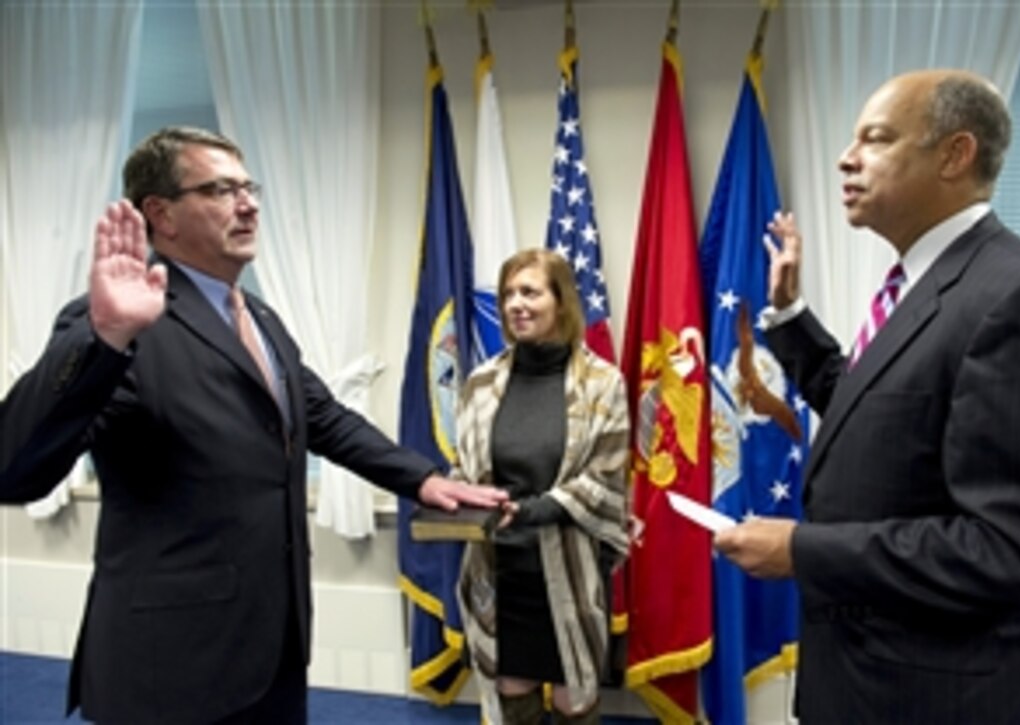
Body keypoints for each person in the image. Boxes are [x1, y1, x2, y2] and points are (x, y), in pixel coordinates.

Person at [0, 126, 507, 724]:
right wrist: (107, 337)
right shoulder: (119, 321)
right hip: (169, 668)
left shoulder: (260, 316)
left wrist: (422, 480)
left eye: (249, 187)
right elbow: (14, 468)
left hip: (274, 649)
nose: (248, 204)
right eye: (220, 190)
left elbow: (321, 416)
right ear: (160, 214)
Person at [714, 70, 1020, 723]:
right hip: (865, 685)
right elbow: (877, 418)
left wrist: (805, 550)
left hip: (947, 701)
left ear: (955, 154)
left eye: (877, 138)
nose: (845, 158)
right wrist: (789, 313)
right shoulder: (925, 283)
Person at [455, 249, 629, 725]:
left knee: (575, 699)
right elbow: (465, 466)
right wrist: (450, 495)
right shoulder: (480, 382)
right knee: (513, 692)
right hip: (501, 570)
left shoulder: (601, 382)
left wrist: (530, 510)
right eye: (508, 293)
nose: (516, 304)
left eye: (529, 291)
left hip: (570, 570)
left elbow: (606, 478)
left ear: (561, 301)